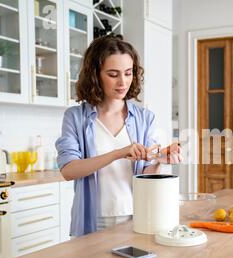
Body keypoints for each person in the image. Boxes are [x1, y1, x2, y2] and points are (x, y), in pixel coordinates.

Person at [55, 34, 182, 237]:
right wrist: (118, 153)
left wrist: (160, 160)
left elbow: (146, 173)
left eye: (128, 73)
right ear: (95, 75)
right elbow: (69, 171)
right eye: (113, 74)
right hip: (92, 220)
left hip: (136, 217)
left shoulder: (144, 118)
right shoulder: (76, 117)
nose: (123, 82)